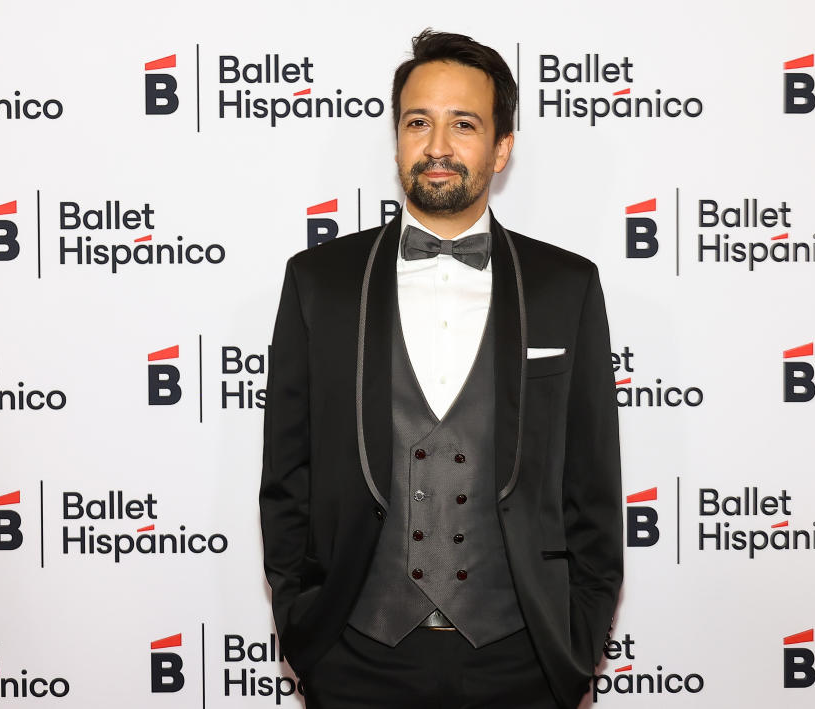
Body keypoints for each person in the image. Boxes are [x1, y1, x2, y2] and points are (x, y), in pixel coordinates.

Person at [260, 29, 622, 709]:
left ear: (502, 147)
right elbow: (286, 479)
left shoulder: (564, 286)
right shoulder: (320, 282)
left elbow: (593, 489)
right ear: (396, 137)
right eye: (417, 122)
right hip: (357, 657)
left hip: (523, 660)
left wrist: (576, 642)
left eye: (464, 124)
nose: (437, 145)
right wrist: (305, 627)